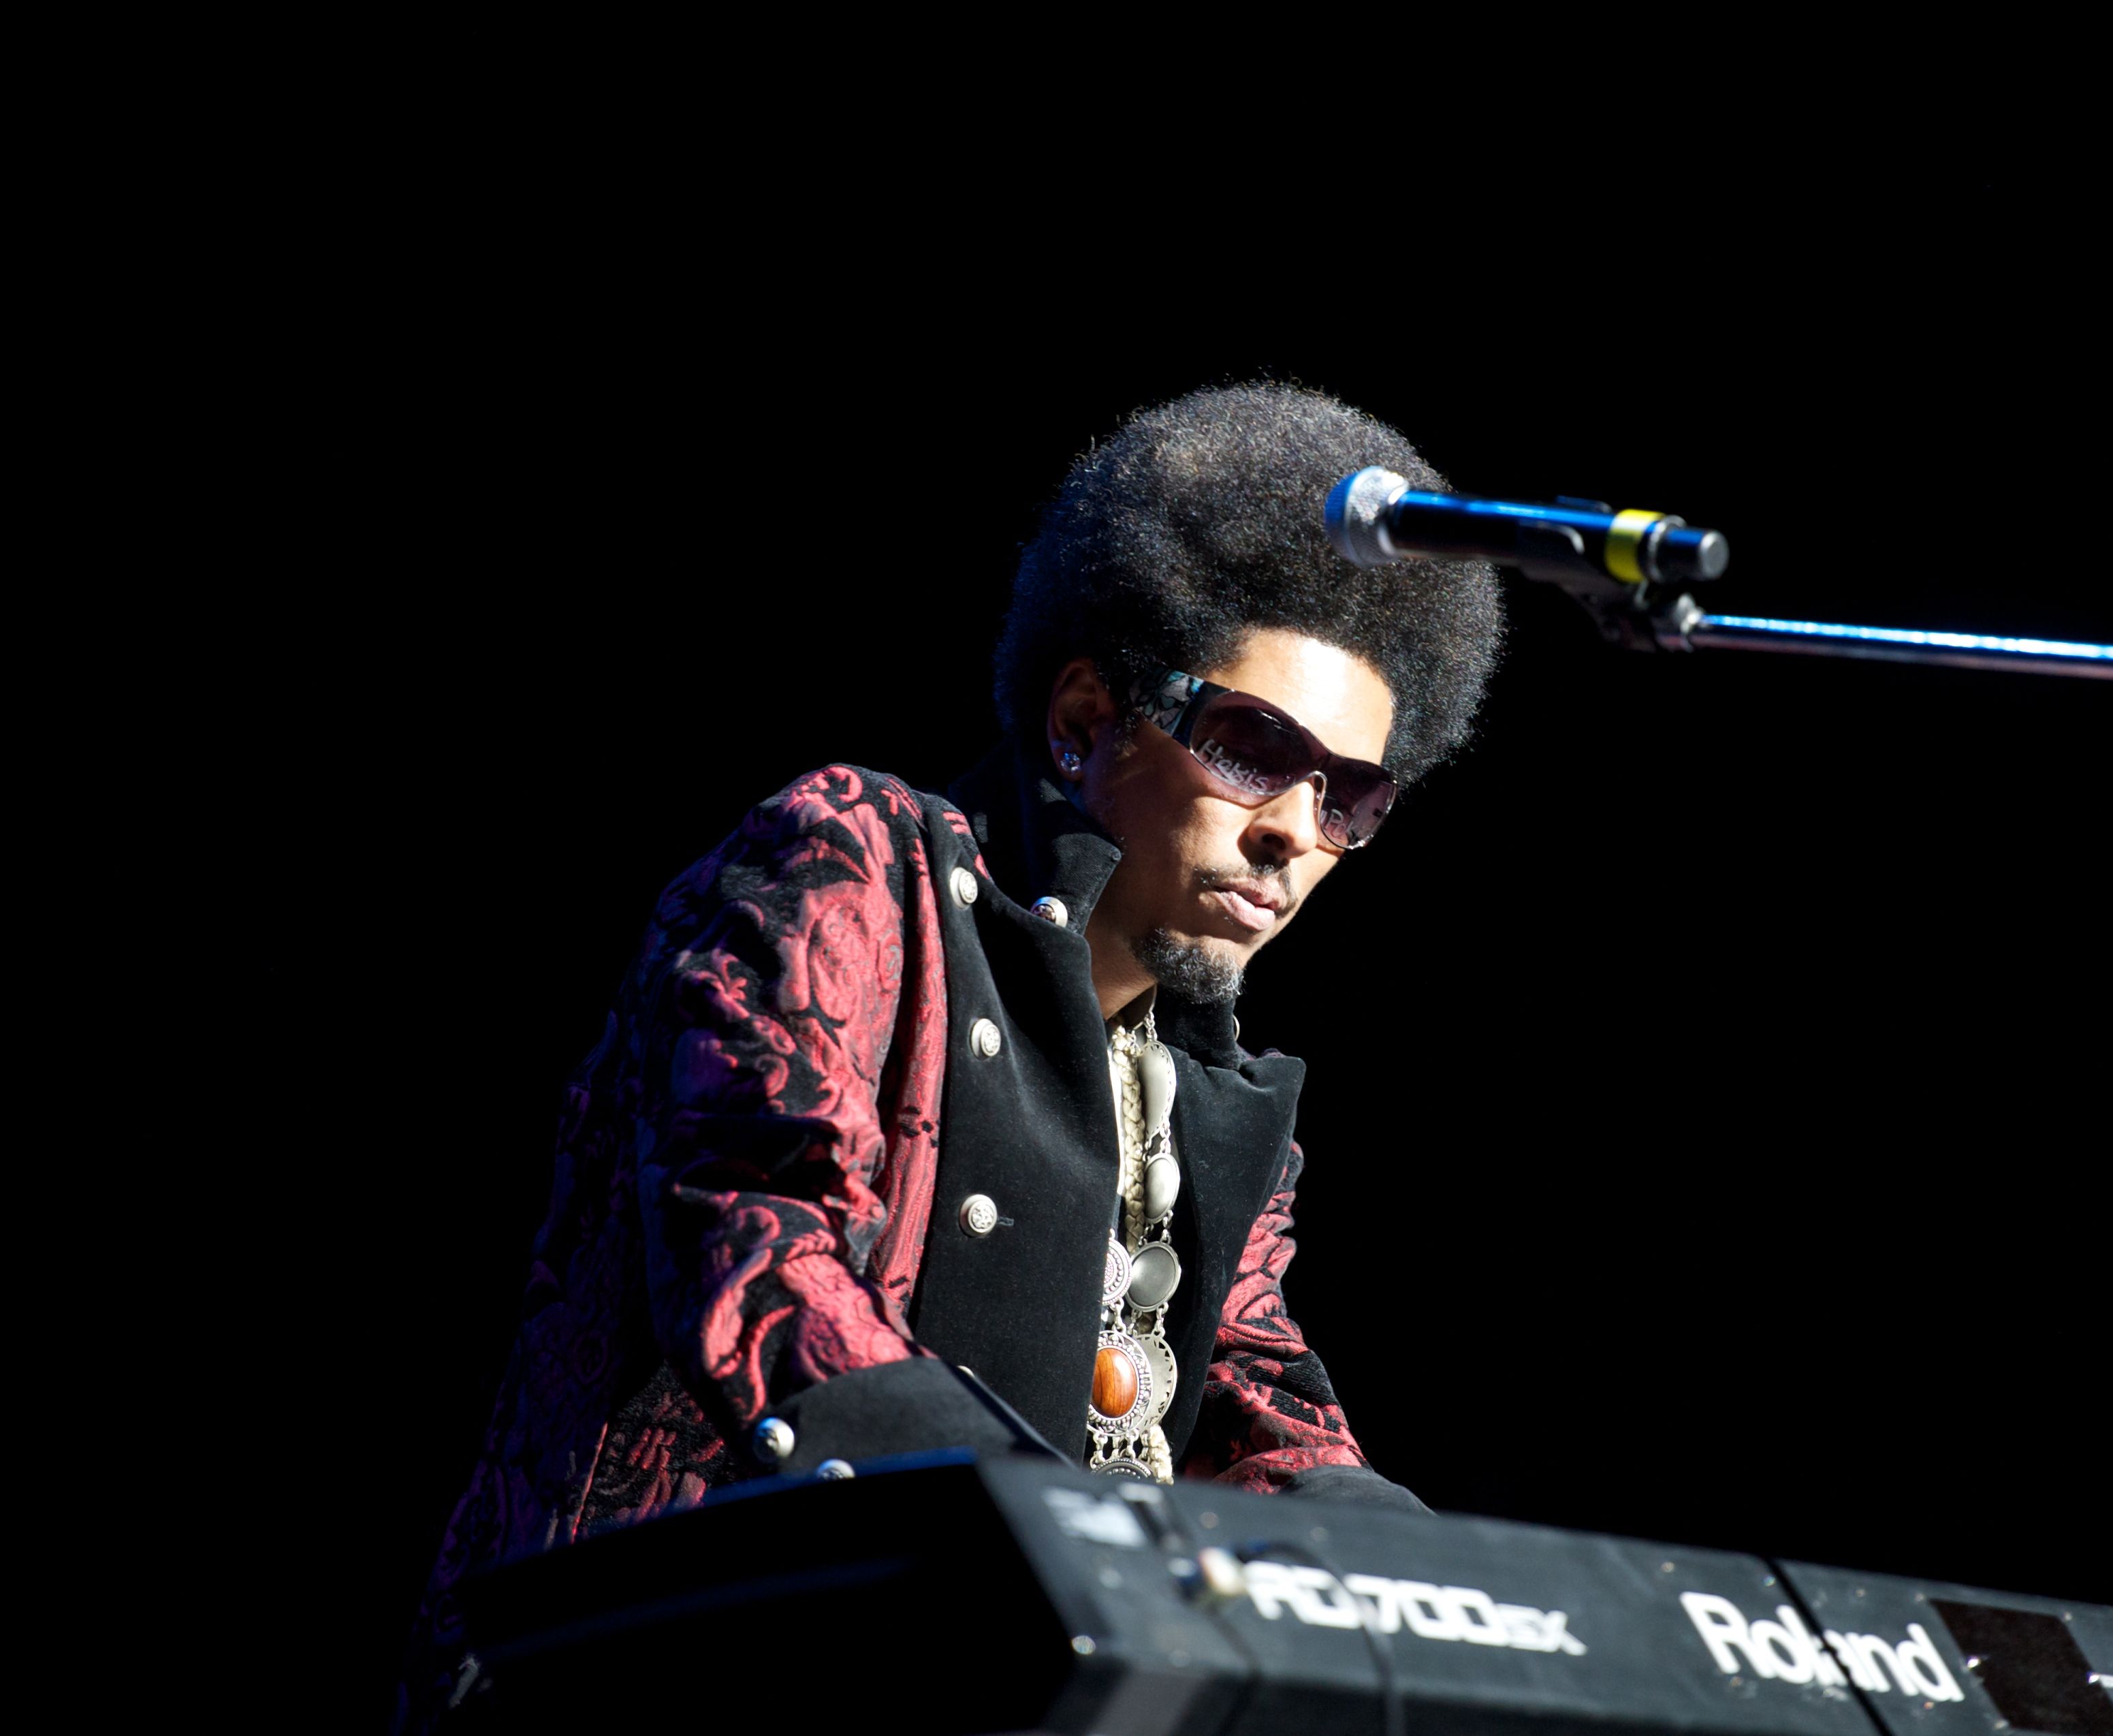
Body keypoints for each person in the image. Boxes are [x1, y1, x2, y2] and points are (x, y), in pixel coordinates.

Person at [397, 382, 1504, 1722]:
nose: (1298, 833)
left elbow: (1255, 1401)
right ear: (1086, 718)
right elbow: (760, 1240)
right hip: (653, 1686)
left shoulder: (1215, 1090)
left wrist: (1460, 1601)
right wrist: (1052, 1545)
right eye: (1255, 751)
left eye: (1353, 794)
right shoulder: (856, 863)